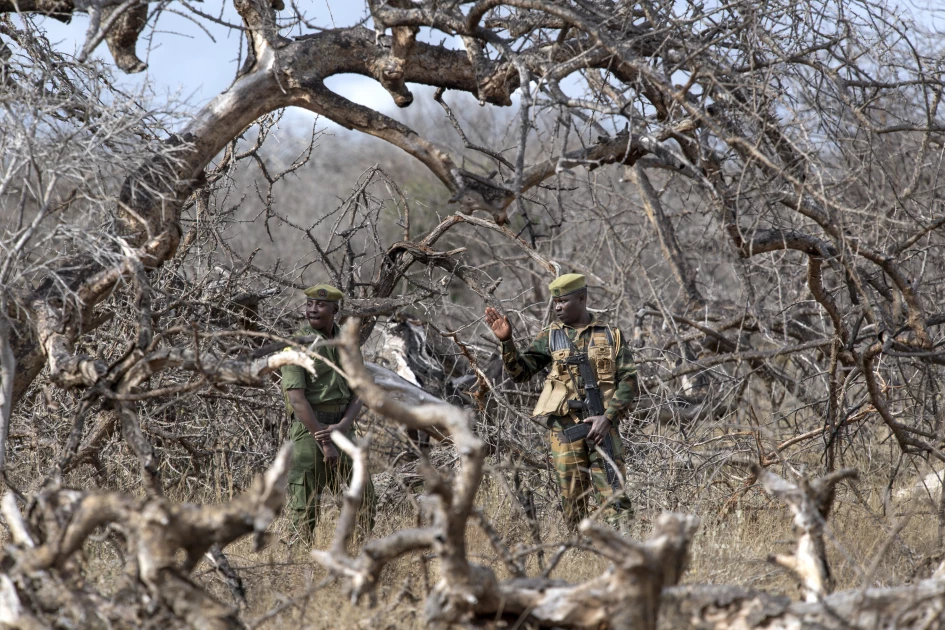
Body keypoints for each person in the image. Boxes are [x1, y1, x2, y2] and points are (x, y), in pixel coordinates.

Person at [484, 273, 638, 529]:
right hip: (565, 429)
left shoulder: (611, 335)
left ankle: (624, 548)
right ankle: (578, 553)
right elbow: (521, 373)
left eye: (564, 301)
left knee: (614, 493)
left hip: (603, 428)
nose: (557, 307)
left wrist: (608, 418)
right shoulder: (551, 336)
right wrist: (507, 342)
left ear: (581, 298)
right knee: (572, 498)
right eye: (555, 302)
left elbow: (629, 382)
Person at [281, 283, 375, 541]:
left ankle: (360, 556)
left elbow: (359, 390)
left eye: (320, 305)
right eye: (309, 304)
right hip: (310, 431)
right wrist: (325, 442)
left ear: (335, 309)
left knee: (365, 495)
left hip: (342, 430)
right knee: (304, 507)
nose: (313, 310)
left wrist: (343, 426)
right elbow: (297, 400)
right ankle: (295, 564)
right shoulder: (295, 346)